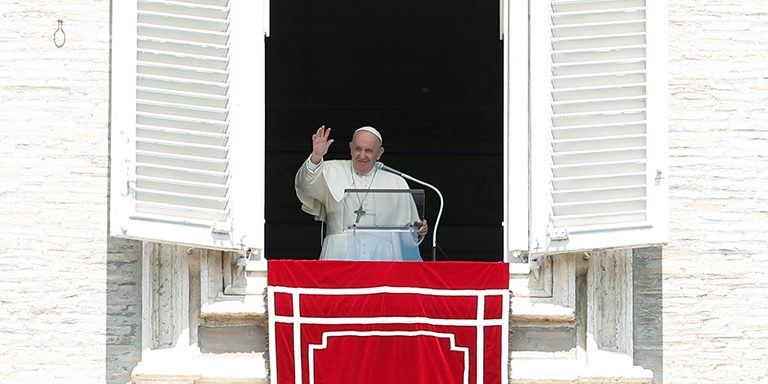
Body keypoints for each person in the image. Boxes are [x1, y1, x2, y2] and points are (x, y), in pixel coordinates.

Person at [295, 125, 428, 260]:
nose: (362, 155)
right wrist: (316, 157)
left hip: (383, 255)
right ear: (351, 148)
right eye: (358, 149)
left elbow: (410, 233)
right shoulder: (331, 170)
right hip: (339, 253)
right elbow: (305, 185)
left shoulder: (396, 182)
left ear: (379, 153)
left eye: (368, 151)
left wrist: (419, 230)